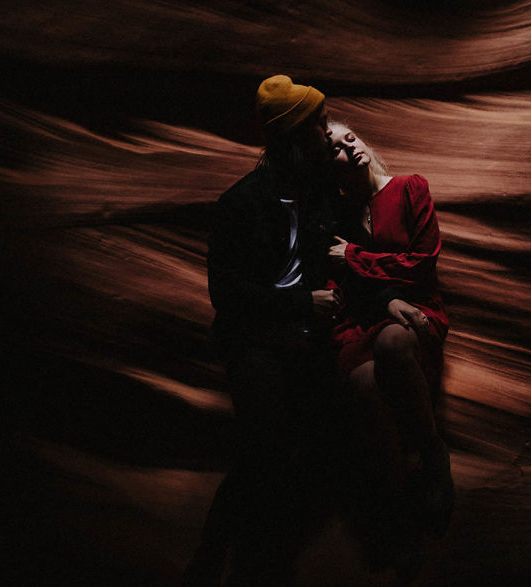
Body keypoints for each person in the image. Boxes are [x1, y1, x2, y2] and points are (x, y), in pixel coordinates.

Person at [184, 75, 344, 586]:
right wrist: (302, 303)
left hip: (308, 337)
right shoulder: (241, 204)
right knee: (265, 447)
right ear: (294, 136)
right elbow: (227, 295)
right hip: (255, 340)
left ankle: (267, 553)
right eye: (319, 124)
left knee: (316, 440)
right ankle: (217, 557)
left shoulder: (320, 194)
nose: (329, 131)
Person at [326, 121, 454, 543]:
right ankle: (397, 499)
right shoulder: (336, 215)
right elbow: (341, 284)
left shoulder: (410, 188)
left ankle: (434, 458)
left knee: (393, 341)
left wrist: (354, 256)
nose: (350, 147)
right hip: (362, 318)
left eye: (350, 138)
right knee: (362, 383)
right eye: (336, 148)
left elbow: (422, 264)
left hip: (417, 311)